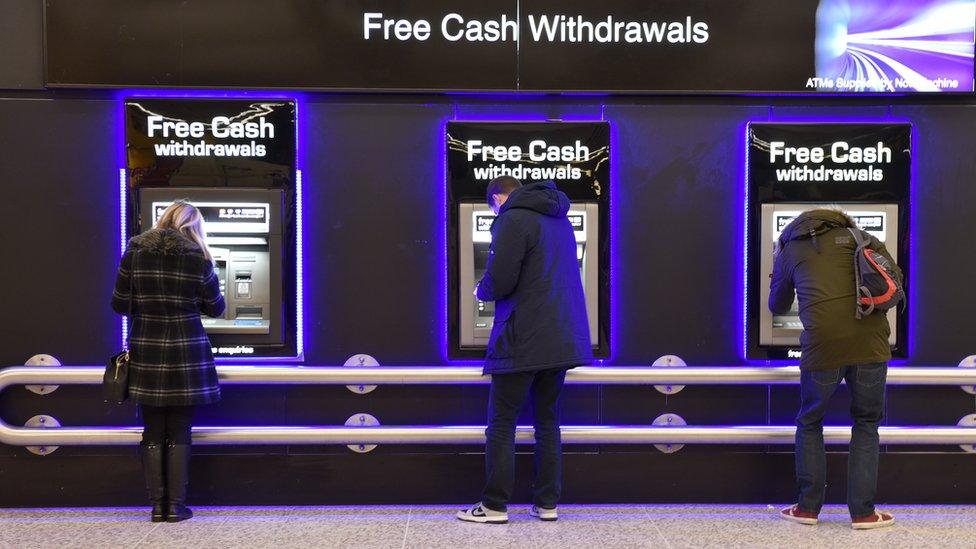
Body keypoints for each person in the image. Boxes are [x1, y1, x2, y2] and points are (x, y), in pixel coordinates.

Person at [457, 177, 592, 524]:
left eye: (492, 209)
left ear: (498, 198)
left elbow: (500, 278)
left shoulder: (512, 218)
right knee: (548, 422)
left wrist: (479, 292)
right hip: (561, 334)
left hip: (522, 337)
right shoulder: (559, 218)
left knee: (502, 422)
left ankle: (493, 506)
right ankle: (547, 504)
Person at [770, 209, 901, 530]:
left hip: (822, 347)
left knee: (811, 421)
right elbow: (895, 281)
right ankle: (864, 514)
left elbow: (777, 306)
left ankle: (807, 508)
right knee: (867, 424)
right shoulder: (864, 238)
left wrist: (781, 272)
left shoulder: (790, 249)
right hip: (870, 343)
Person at [111, 200, 225, 523]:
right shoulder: (198, 257)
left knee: (152, 428)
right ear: (192, 226)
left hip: (147, 349)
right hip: (187, 352)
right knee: (180, 428)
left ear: (163, 219)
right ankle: (176, 506)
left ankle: (156, 506)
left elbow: (119, 303)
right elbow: (216, 307)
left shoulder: (135, 252)